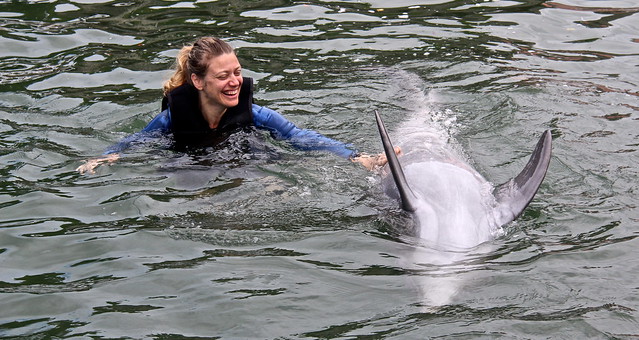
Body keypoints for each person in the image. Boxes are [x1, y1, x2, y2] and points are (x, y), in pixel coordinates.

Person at [76, 37, 396, 174]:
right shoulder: (172, 120)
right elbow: (132, 144)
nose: (235, 82)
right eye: (223, 76)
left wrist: (358, 157)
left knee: (268, 180)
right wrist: (104, 159)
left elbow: (301, 137)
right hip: (191, 164)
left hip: (246, 160)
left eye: (238, 73)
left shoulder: (255, 115)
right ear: (198, 81)